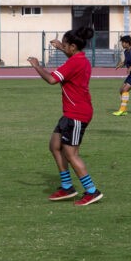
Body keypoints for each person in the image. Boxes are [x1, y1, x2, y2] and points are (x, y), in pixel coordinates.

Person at [26, 27, 104, 204]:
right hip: (71, 112)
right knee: (55, 145)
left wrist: (37, 66)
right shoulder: (80, 58)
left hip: (77, 113)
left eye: (66, 44)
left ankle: (92, 191)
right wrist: (62, 47)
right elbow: (71, 59)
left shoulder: (74, 62)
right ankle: (67, 187)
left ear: (73, 47)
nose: (63, 46)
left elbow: (52, 80)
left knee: (71, 153)